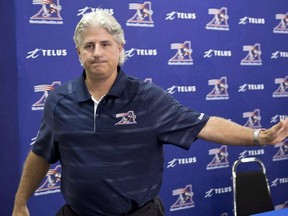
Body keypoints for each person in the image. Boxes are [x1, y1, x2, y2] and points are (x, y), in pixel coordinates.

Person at [13, 10, 288, 216]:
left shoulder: (146, 98)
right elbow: (41, 153)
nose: (97, 52)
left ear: (119, 49)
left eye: (105, 44)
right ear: (78, 53)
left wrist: (259, 137)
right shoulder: (59, 101)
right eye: (89, 46)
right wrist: (20, 202)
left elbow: (205, 125)